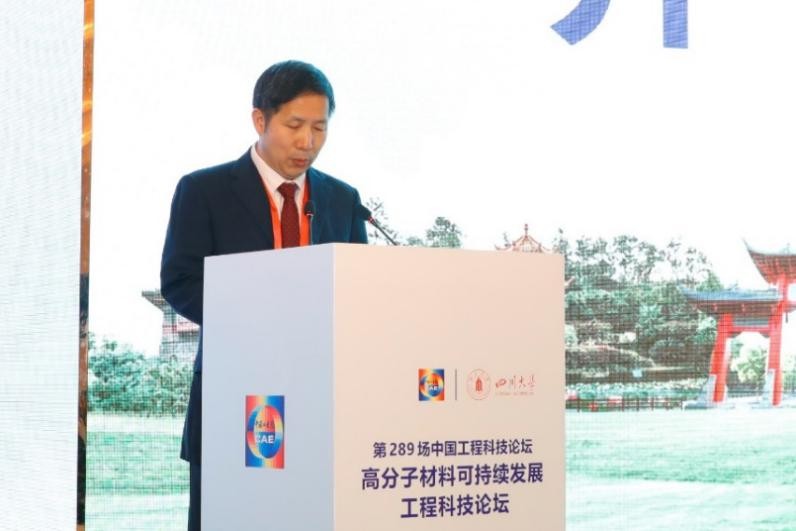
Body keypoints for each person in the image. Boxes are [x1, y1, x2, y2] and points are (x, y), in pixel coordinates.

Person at [160, 60, 368, 530]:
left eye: (320, 128)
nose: (307, 141)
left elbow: (358, 288)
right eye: (295, 125)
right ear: (260, 120)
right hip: (234, 399)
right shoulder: (204, 190)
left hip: (322, 405)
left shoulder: (343, 199)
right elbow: (180, 279)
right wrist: (259, 319)